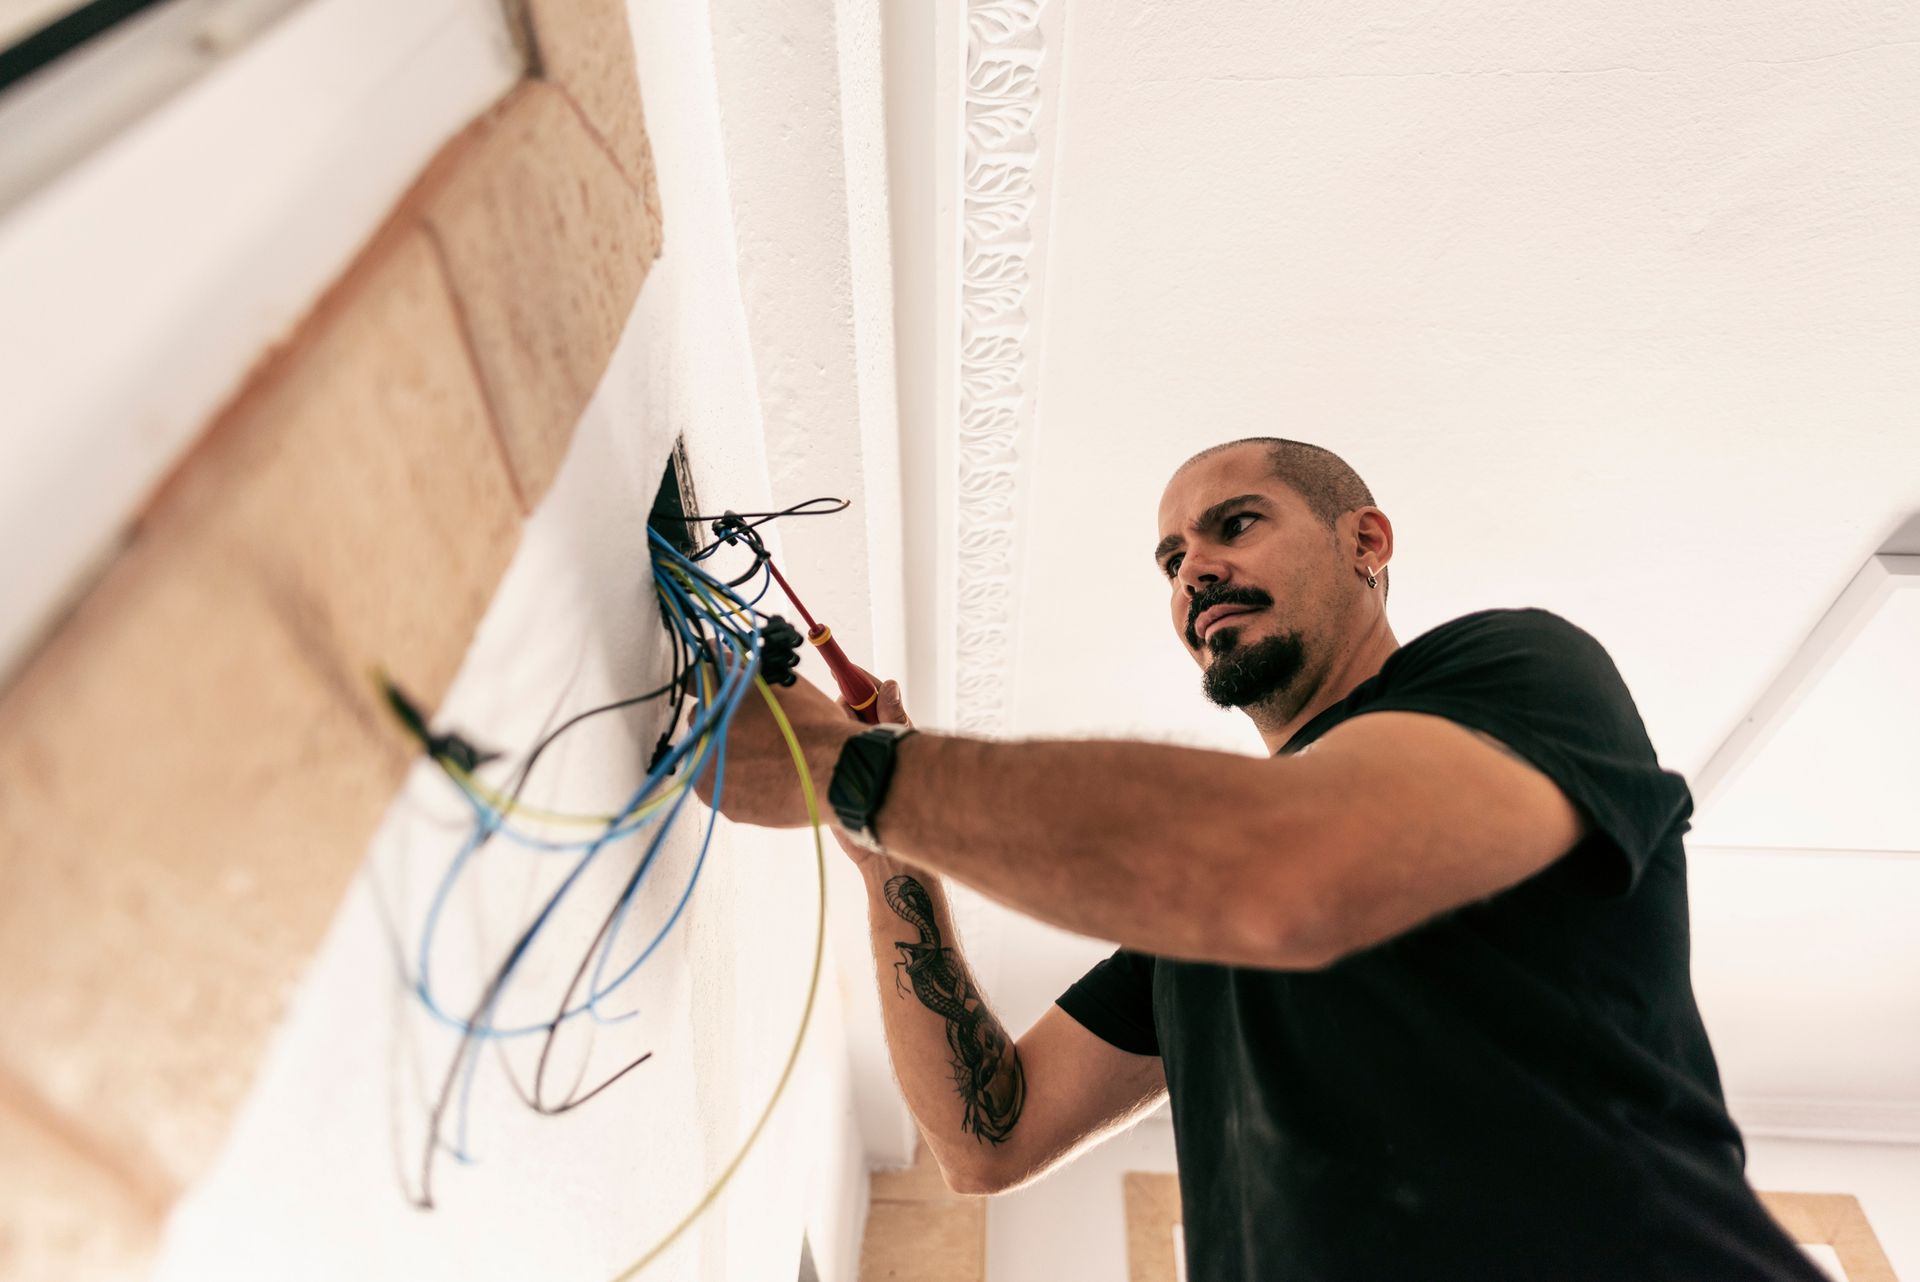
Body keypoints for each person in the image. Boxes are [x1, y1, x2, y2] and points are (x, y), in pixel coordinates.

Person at [693, 437, 1825, 1280]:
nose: (1192, 571)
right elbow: (989, 1137)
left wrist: (858, 770)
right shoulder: (1200, 924)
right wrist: (884, 849)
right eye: (1171, 559)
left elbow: (1285, 869)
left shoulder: (1515, 669)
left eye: (1234, 525)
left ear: (1365, 542)